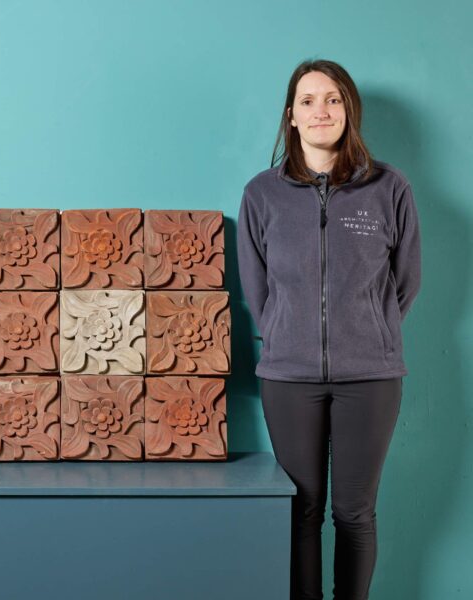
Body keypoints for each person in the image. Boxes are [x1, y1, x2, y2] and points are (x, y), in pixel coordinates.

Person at [236, 59, 421, 600]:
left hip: (371, 376)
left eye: (333, 99)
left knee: (355, 512)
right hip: (289, 377)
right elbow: (257, 288)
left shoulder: (389, 187)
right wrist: (285, 333)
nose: (322, 110)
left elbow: (405, 281)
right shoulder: (262, 194)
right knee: (302, 509)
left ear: (349, 111)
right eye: (309, 100)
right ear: (291, 116)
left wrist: (371, 329)